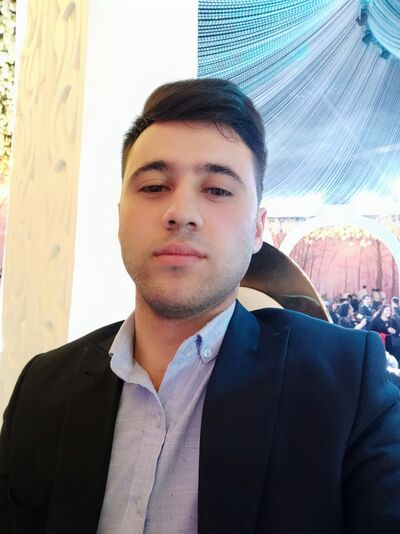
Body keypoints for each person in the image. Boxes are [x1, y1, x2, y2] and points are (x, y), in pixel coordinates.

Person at [1, 79, 400, 534]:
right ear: (120, 217)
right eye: (154, 186)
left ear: (258, 229)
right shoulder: (42, 388)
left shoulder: (345, 383)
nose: (181, 212)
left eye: (218, 190)